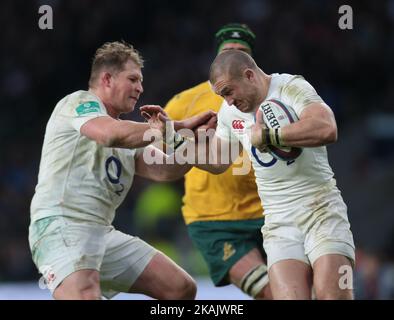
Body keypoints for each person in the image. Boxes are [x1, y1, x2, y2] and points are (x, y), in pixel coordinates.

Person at [28, 41, 214, 300]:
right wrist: (172, 128)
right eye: (133, 79)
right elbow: (108, 134)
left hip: (101, 233)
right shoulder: (78, 103)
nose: (140, 88)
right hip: (62, 225)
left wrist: (192, 140)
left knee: (180, 289)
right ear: (107, 79)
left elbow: (165, 171)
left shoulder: (128, 132)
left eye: (141, 81)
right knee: (85, 295)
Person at [199, 49, 355, 299]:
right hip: (279, 223)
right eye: (222, 95)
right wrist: (172, 141)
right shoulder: (230, 113)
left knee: (332, 295)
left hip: (322, 210)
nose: (227, 101)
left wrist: (271, 135)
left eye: (228, 92)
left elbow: (327, 128)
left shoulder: (291, 87)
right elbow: (217, 160)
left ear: (249, 75)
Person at [164, 23, 271, 299]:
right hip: (215, 220)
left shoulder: (274, 97)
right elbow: (157, 150)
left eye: (241, 52)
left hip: (271, 212)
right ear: (215, 59)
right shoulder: (184, 102)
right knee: (270, 292)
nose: (233, 57)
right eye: (228, 51)